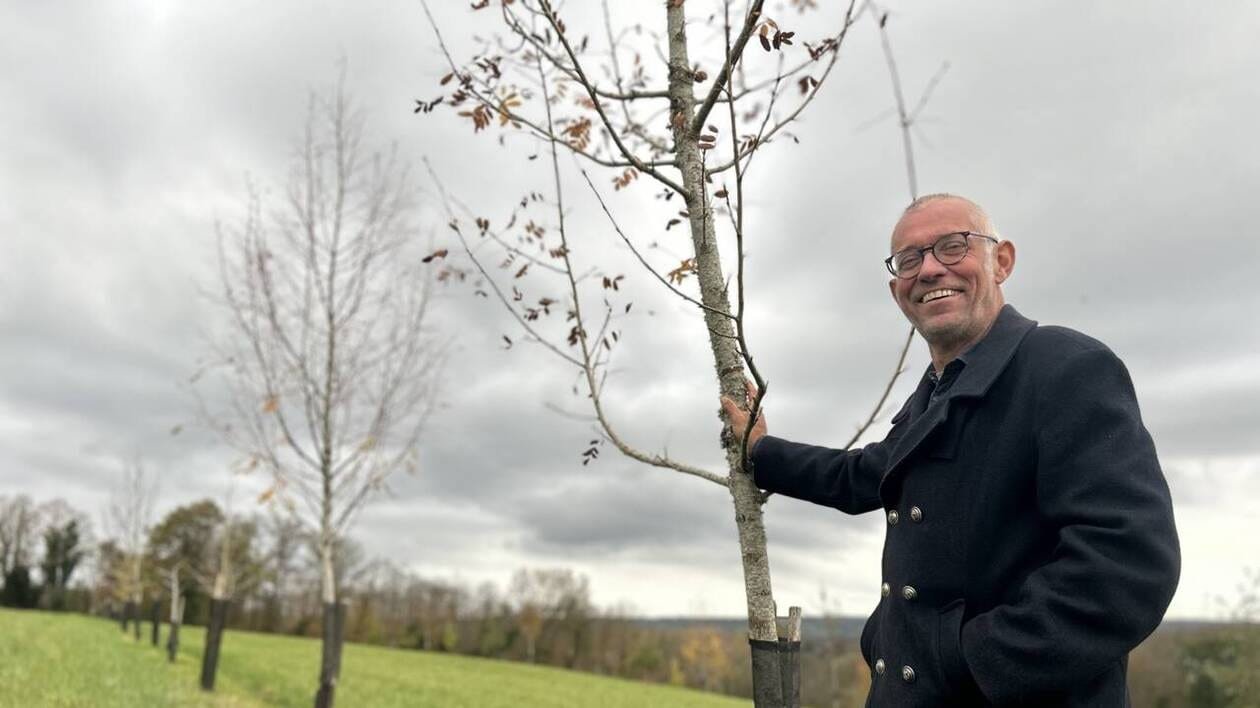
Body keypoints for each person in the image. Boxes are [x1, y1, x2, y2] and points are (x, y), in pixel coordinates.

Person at [721, 194, 1180, 706]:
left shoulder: (1063, 366)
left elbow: (1128, 566)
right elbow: (860, 476)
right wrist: (760, 450)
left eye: (952, 246)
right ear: (897, 291)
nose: (929, 269)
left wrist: (963, 660)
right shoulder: (937, 394)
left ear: (1001, 261)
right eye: (909, 259)